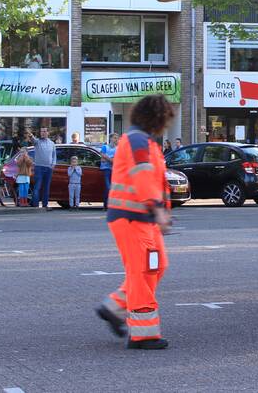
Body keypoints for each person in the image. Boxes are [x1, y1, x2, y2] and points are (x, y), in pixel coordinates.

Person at [95, 94, 174, 350]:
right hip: (132, 218)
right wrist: (158, 209)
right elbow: (143, 178)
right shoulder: (139, 140)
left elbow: (152, 179)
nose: (167, 124)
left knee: (157, 266)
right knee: (143, 272)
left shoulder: (145, 141)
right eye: (165, 118)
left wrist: (161, 211)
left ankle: (113, 306)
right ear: (156, 117)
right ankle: (143, 334)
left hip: (140, 218)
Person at [31, 126, 56, 210]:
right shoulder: (37, 142)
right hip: (39, 167)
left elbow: (54, 155)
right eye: (41, 131)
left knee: (46, 187)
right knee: (37, 187)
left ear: (48, 133)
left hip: (48, 168)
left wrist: (53, 164)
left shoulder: (52, 143)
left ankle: (45, 205)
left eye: (45, 131)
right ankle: (35, 205)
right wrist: (31, 136)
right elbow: (33, 140)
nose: (43, 133)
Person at [100, 133, 118, 210]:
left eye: (117, 138)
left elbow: (116, 160)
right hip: (106, 169)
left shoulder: (117, 148)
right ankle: (106, 204)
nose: (116, 140)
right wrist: (111, 159)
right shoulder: (105, 147)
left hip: (114, 170)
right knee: (108, 187)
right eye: (114, 138)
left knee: (112, 188)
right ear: (110, 138)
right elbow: (102, 158)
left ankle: (107, 205)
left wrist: (107, 158)